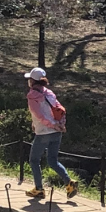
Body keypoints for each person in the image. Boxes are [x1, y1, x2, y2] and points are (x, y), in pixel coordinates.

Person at [24, 67, 77, 199]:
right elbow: (60, 110)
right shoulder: (50, 93)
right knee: (53, 160)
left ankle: (39, 189)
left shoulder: (32, 96)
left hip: (43, 133)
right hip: (56, 132)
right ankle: (69, 183)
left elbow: (40, 115)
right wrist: (60, 125)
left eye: (29, 79)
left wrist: (50, 125)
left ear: (32, 81)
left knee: (34, 160)